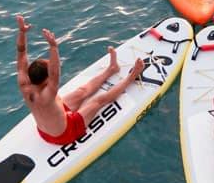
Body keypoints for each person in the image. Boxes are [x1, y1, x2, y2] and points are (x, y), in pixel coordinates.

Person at [15, 16, 144, 146]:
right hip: (64, 134)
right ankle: (131, 77)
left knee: (82, 91)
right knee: (98, 101)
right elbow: (55, 72)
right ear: (46, 78)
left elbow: (21, 54)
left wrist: (22, 32)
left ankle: (112, 69)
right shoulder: (48, 93)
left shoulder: (25, 85)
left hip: (44, 132)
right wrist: (53, 47)